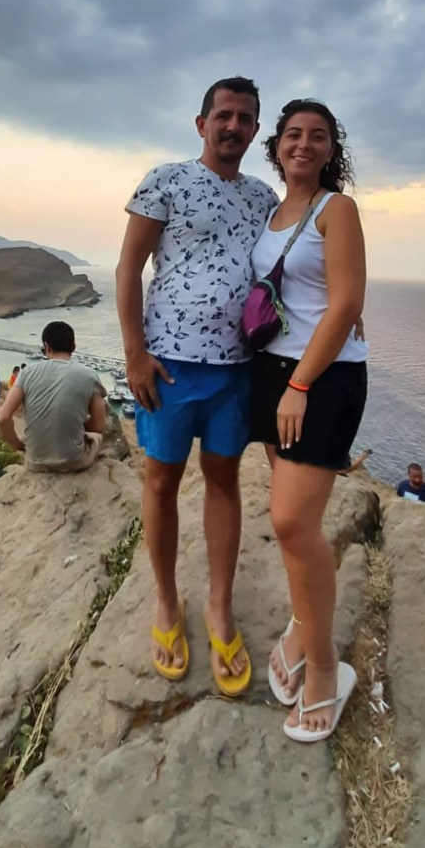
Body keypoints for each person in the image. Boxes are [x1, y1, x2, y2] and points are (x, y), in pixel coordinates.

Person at [116, 75, 278, 695]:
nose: (233, 126)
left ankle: (219, 606)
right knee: (161, 481)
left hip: (236, 369)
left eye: (245, 118)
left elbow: (289, 269)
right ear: (202, 122)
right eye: (224, 115)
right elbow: (128, 268)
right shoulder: (166, 180)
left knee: (223, 481)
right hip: (169, 366)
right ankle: (165, 601)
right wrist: (134, 354)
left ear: (255, 130)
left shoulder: (263, 198)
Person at [251, 98, 368, 743]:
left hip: (320, 379)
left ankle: (325, 668)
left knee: (291, 522)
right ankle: (302, 624)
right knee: (296, 527)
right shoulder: (271, 214)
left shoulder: (336, 209)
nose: (303, 143)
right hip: (272, 373)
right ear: (277, 146)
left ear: (330, 149)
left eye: (317, 136)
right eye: (293, 134)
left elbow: (346, 302)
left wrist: (299, 385)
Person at [0, 322, 106, 472]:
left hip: (35, 461)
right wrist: (75, 426)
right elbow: (99, 426)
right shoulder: (89, 375)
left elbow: (3, 418)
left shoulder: (26, 373)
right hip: (73, 462)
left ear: (47, 347)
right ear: (74, 347)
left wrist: (18, 445)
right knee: (95, 437)